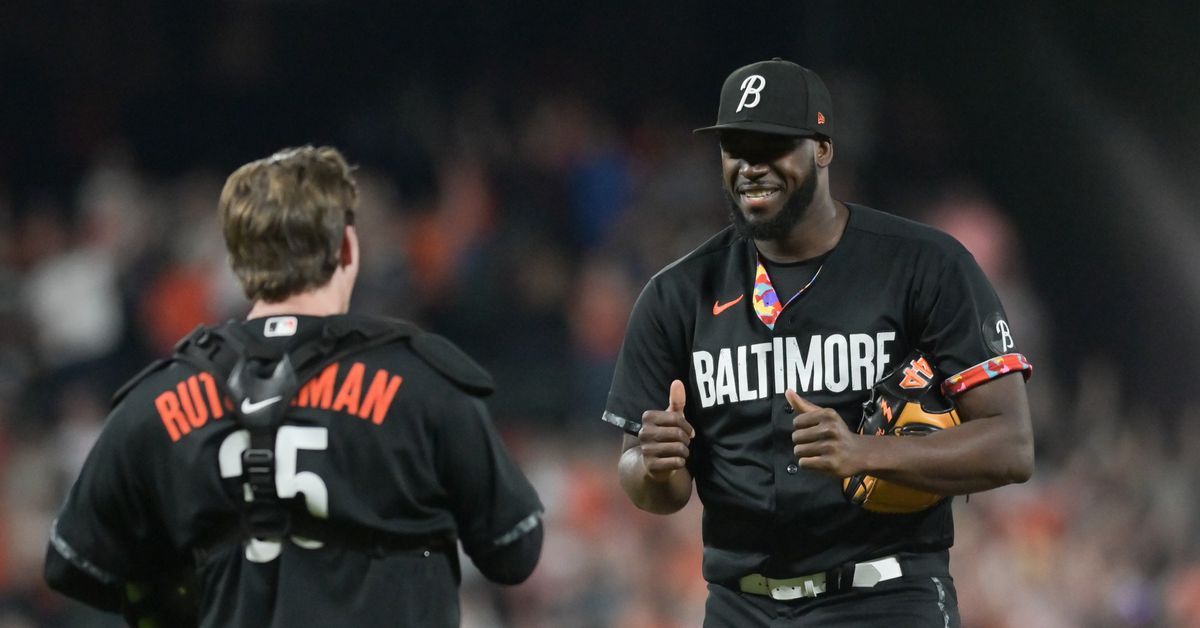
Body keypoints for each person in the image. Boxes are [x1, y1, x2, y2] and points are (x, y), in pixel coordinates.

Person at [603, 59, 1033, 627]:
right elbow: (652, 487)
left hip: (884, 598)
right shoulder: (676, 295)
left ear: (823, 149)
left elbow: (1012, 446)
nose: (751, 167)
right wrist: (652, 464)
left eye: (772, 146)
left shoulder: (925, 266)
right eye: (736, 148)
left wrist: (865, 453)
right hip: (740, 606)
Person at [44, 146, 544, 627]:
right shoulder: (422, 383)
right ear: (347, 247)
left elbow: (72, 565)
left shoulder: (157, 400)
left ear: (240, 261)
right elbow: (515, 552)